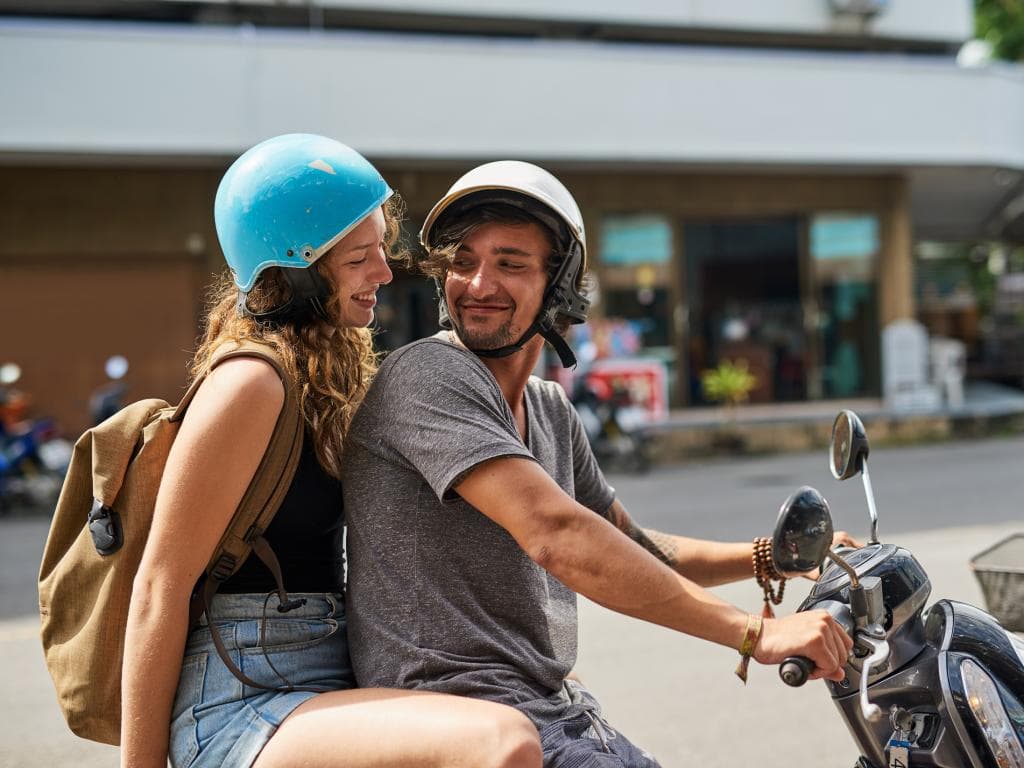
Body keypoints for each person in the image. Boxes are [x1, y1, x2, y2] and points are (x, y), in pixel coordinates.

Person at [341, 160, 856, 768]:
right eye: (462, 261)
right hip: (461, 716)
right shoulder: (427, 376)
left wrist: (767, 558)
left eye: (510, 263)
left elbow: (627, 543)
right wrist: (756, 632)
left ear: (558, 284)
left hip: (549, 710)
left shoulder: (550, 409)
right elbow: (556, 534)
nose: (478, 284)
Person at [120, 135, 542, 768]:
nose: (384, 272)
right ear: (297, 269)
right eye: (358, 258)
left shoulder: (334, 369)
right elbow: (159, 586)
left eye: (382, 250)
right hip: (241, 697)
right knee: (501, 743)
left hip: (331, 677)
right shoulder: (252, 382)